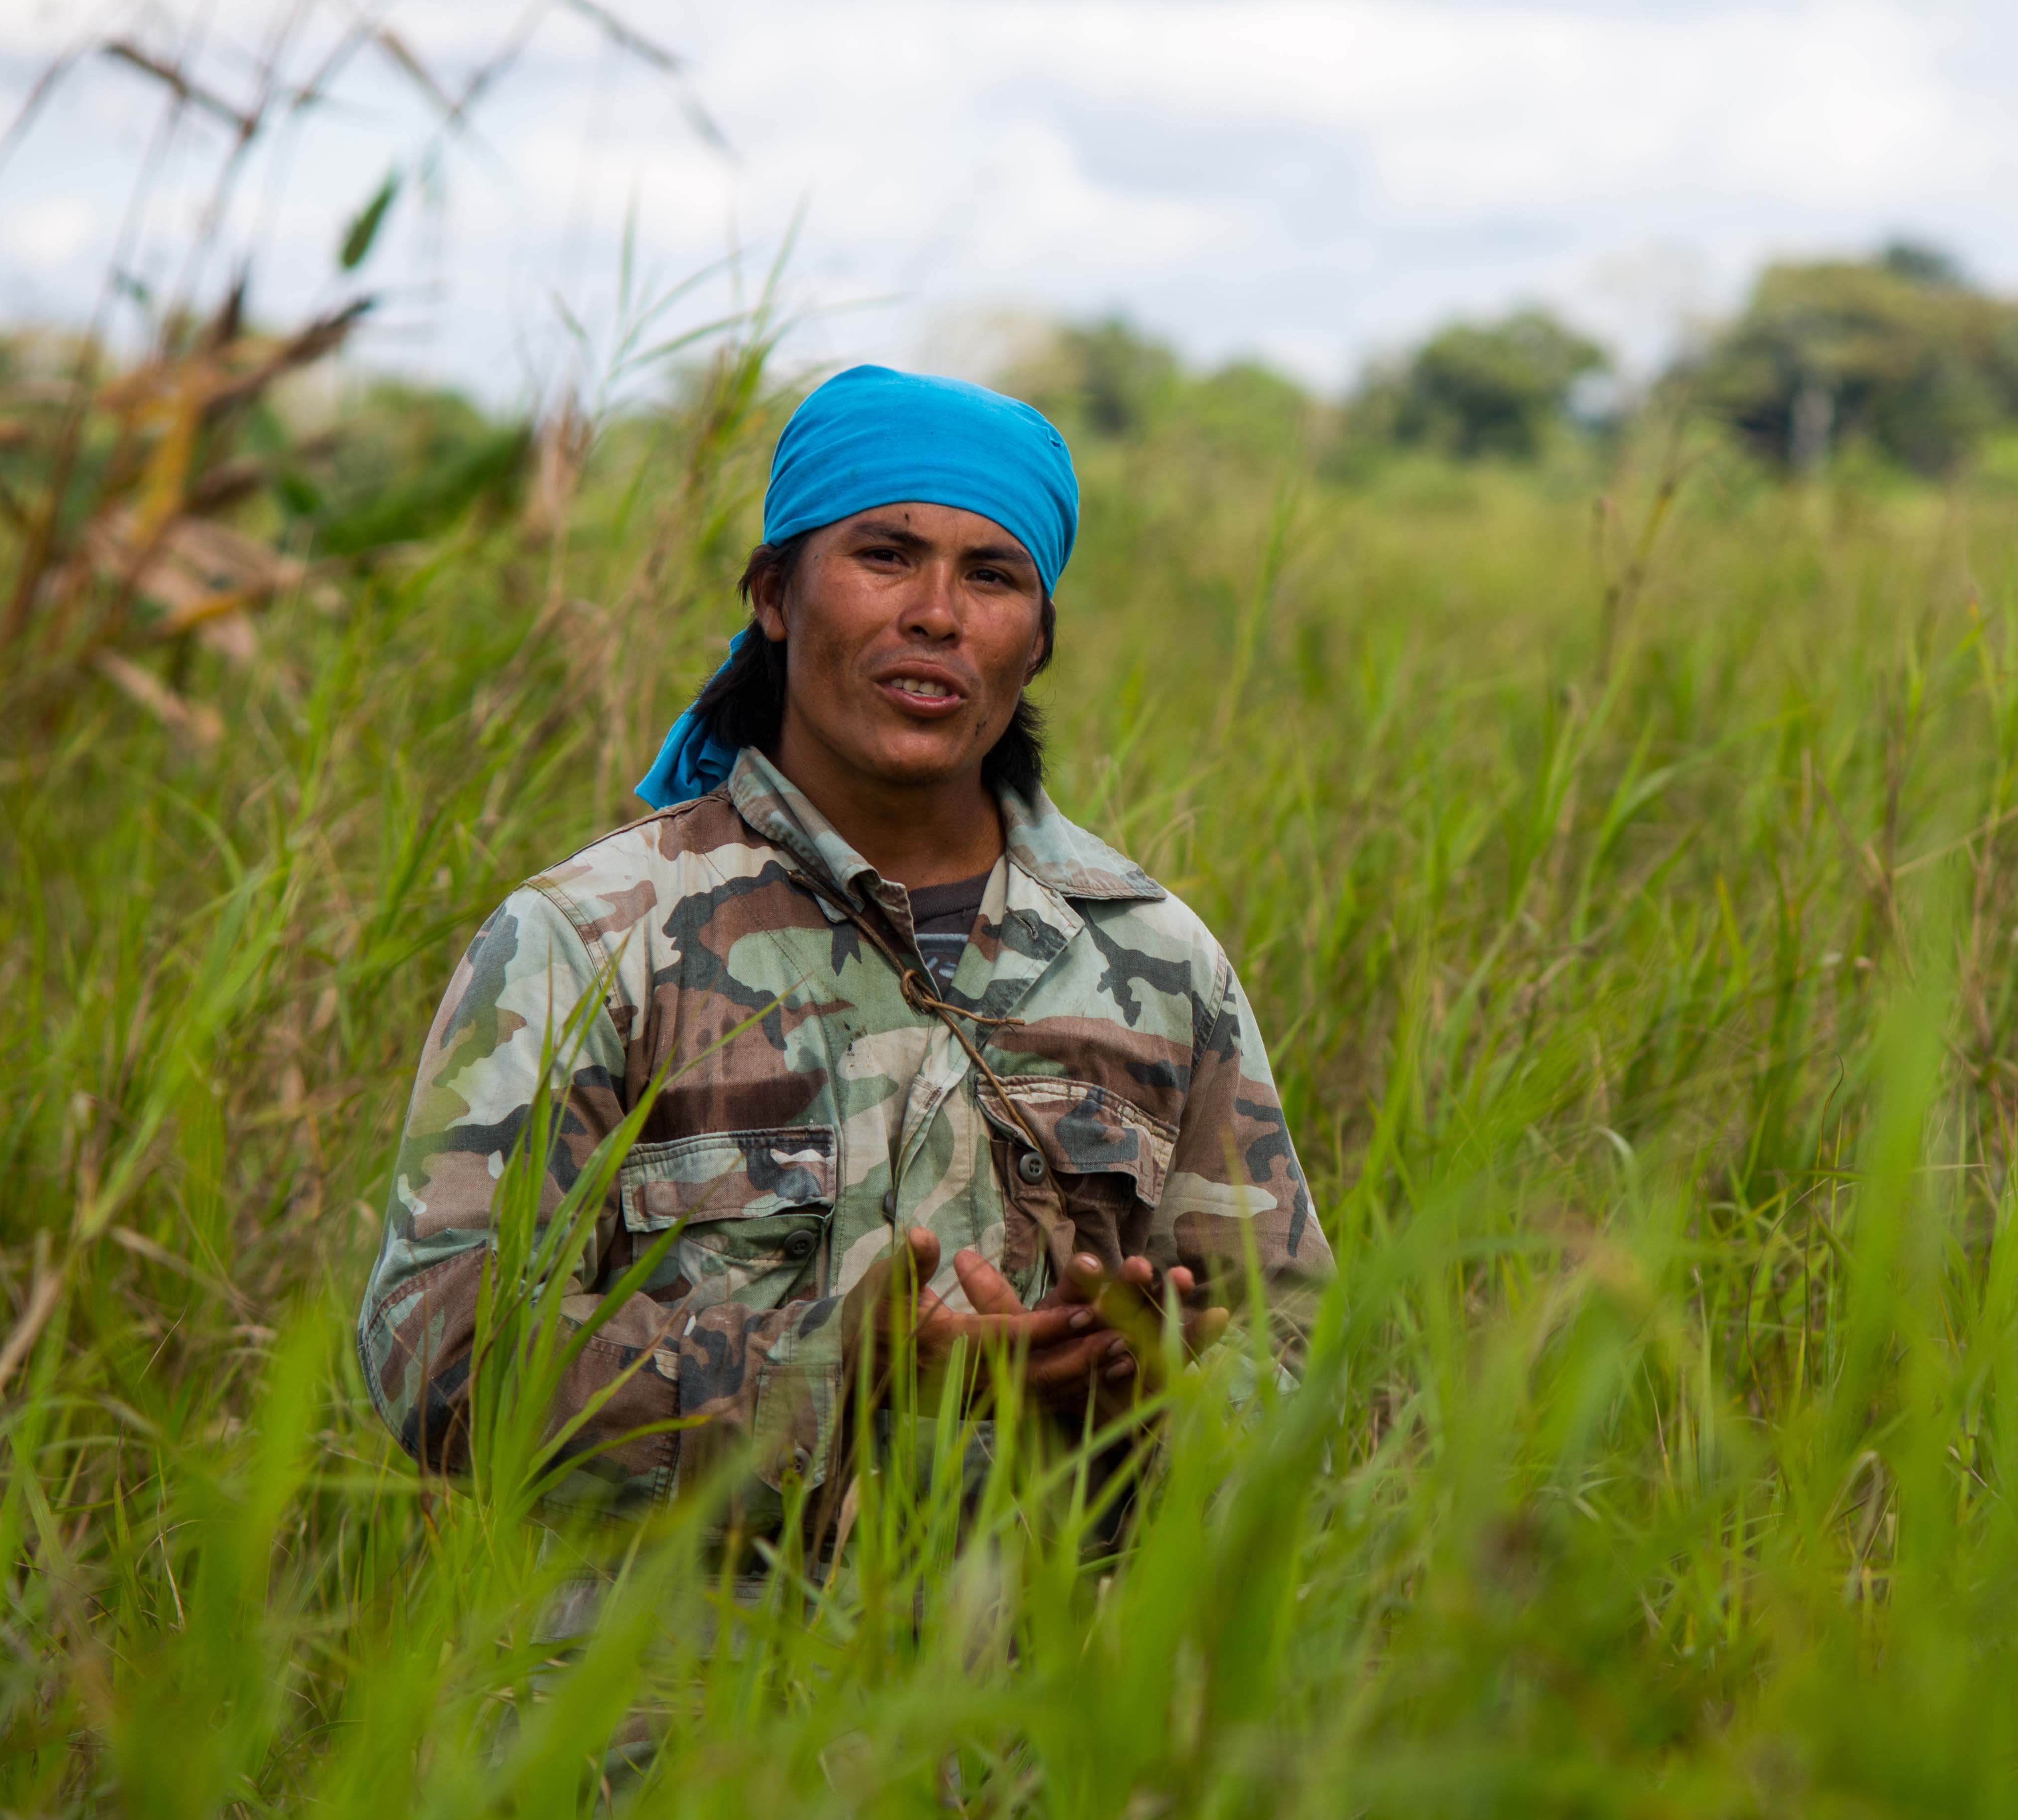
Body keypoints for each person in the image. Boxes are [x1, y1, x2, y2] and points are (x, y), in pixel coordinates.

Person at [355, 367, 1330, 1548]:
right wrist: (835, 1379)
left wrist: (1146, 1413)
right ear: (775, 595)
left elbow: (1291, 1356)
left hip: (1049, 1662)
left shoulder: (1156, 960)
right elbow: (435, 1349)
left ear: (1038, 640)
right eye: (885, 556)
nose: (937, 614)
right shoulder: (597, 935)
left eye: (993, 575)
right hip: (677, 1663)